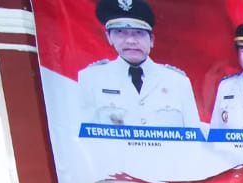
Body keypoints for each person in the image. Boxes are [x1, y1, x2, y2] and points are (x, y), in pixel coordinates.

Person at [77, 0, 199, 128]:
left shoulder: (177, 82)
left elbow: (194, 138)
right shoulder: (91, 79)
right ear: (109, 37)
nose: (130, 41)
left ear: (151, 39)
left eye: (138, 33)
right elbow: (84, 139)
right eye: (121, 32)